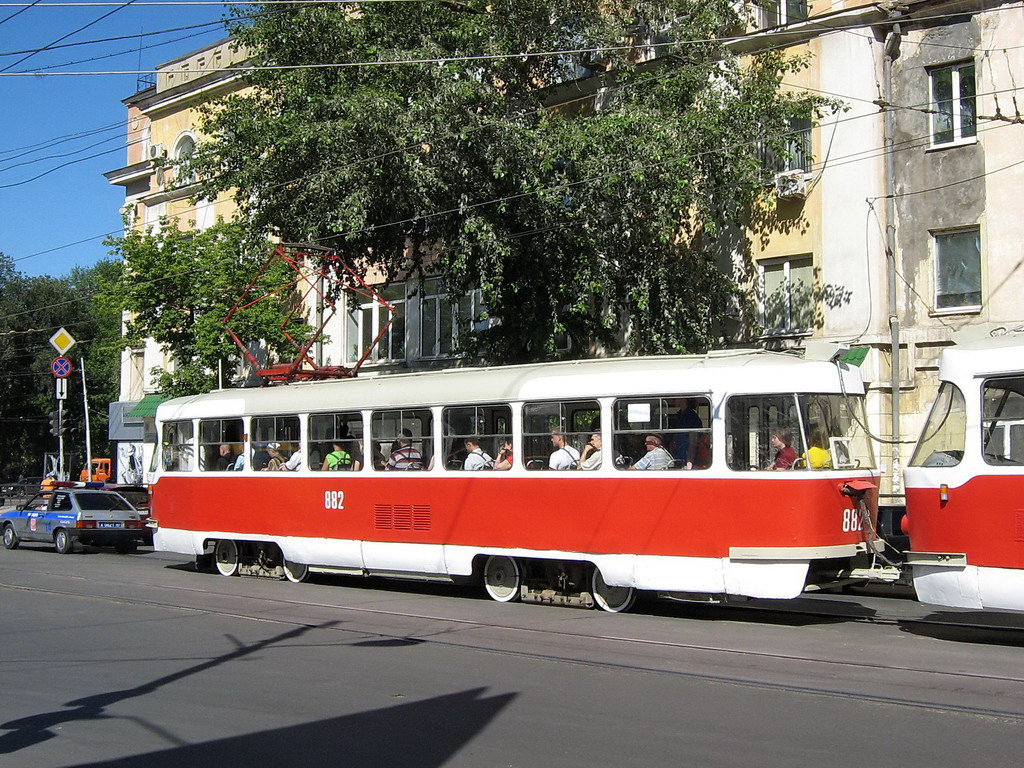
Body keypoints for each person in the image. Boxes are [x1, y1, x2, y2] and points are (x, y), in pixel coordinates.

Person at [670, 398, 702, 469]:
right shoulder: (680, 415)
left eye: (674, 399)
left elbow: (693, 440)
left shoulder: (691, 416)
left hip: (687, 457)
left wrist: (690, 461)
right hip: (680, 454)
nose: (672, 401)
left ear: (683, 399)